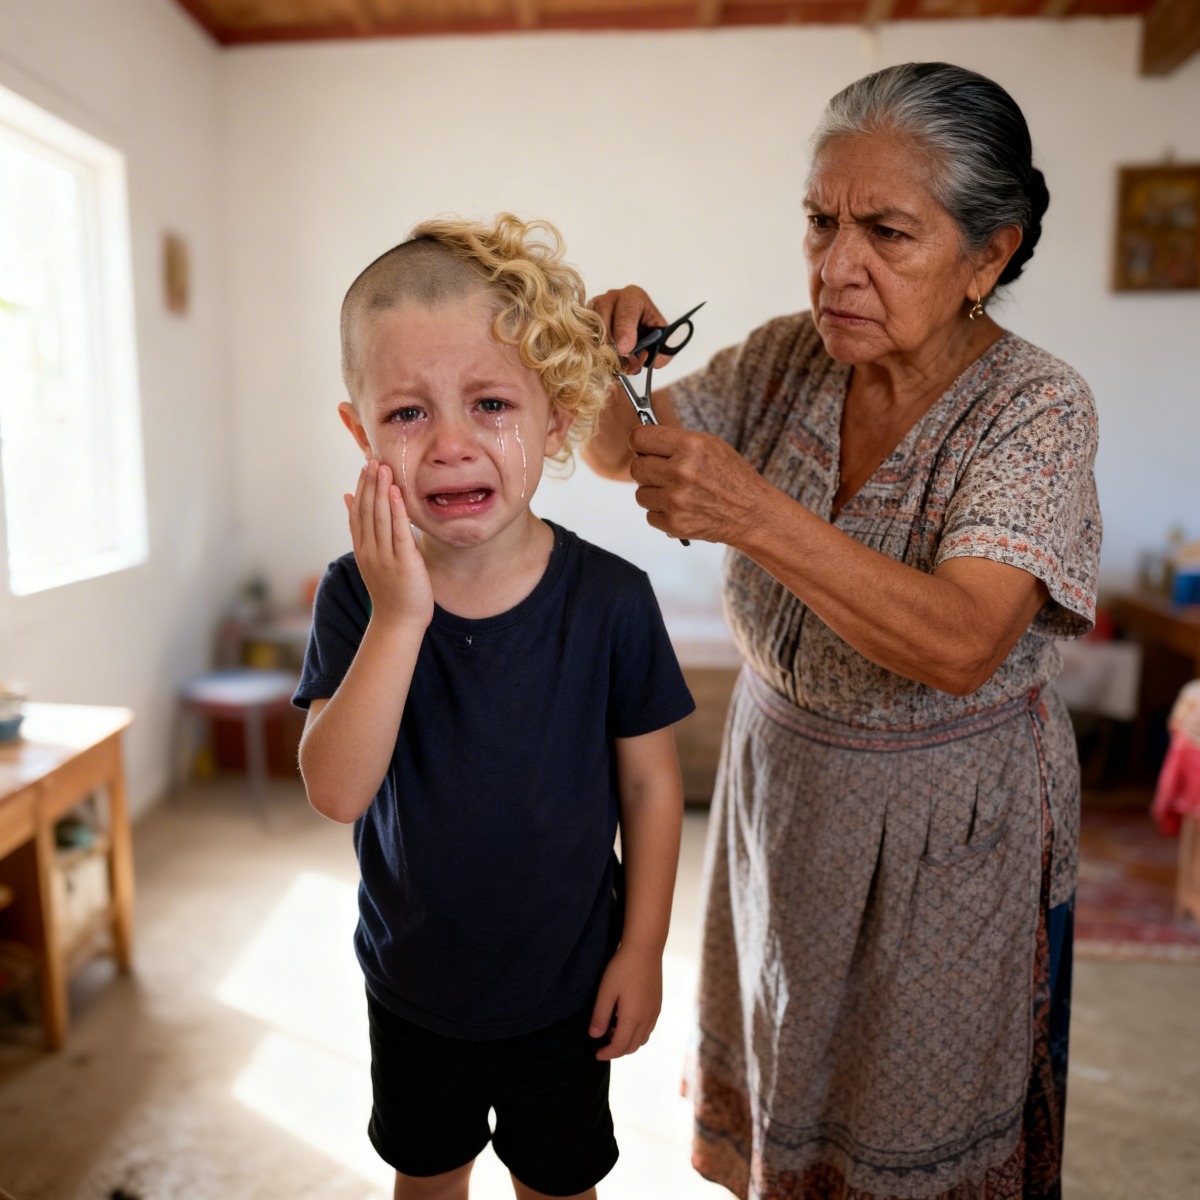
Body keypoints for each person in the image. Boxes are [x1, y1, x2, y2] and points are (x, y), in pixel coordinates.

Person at [584, 62, 1100, 1200]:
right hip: (784, 798)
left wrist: (755, 516)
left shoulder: (1035, 408)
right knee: (790, 1076)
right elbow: (622, 450)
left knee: (921, 1127)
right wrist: (608, 374)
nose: (835, 265)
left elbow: (965, 640)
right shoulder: (785, 357)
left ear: (990, 255)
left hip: (945, 831)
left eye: (887, 232)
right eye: (820, 220)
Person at [294, 213, 695, 1200]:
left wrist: (641, 950)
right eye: (407, 414)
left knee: (559, 1186)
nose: (451, 446)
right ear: (359, 430)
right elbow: (337, 793)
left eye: (489, 403)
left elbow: (650, 790)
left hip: (567, 989)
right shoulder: (356, 595)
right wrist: (399, 619)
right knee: (427, 1180)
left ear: (557, 416)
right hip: (414, 991)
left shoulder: (611, 600)